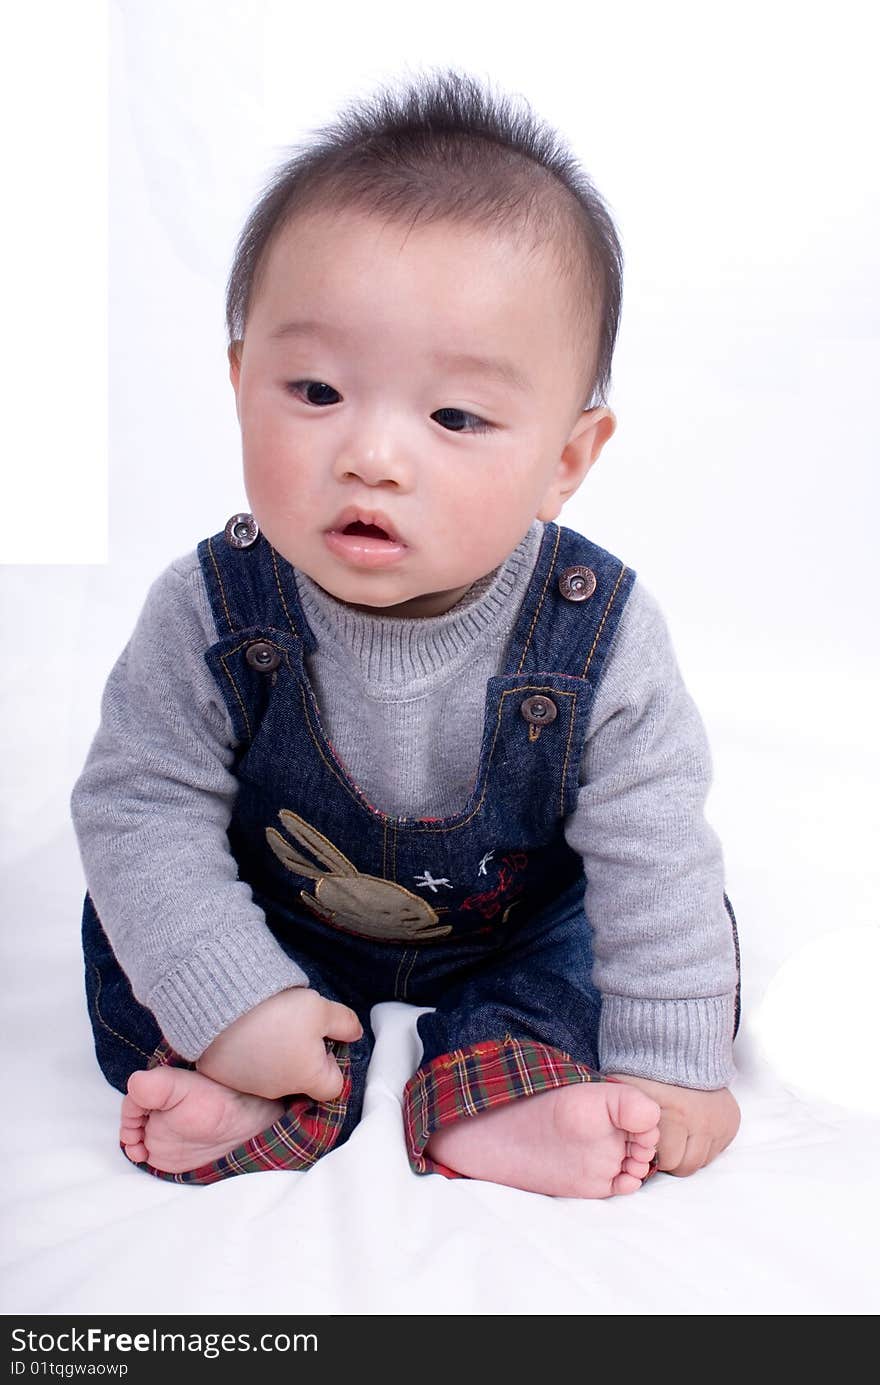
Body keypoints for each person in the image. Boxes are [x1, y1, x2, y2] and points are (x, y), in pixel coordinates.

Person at [71, 68, 742, 1196]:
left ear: (566, 460)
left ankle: (497, 1099)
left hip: (513, 930)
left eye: (455, 416)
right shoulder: (212, 609)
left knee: (643, 942)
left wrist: (675, 1068)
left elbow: (653, 847)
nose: (372, 454)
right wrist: (237, 995)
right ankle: (257, 1076)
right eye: (317, 390)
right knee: (137, 925)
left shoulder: (597, 631)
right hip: (279, 920)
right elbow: (138, 801)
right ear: (240, 383)